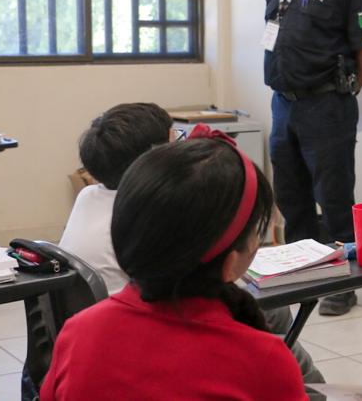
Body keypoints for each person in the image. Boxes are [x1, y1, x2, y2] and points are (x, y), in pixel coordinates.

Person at [53, 103, 326, 398]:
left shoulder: (76, 333)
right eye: (177, 140)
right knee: (275, 314)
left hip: (122, 318)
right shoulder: (262, 360)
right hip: (166, 323)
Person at [265, 0, 362, 316]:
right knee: (291, 197)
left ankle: (341, 283)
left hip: (327, 104)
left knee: (333, 197)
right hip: (283, 105)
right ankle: (301, 273)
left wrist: (342, 92)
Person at [60, 102, 172, 294]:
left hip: (89, 316)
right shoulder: (148, 217)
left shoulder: (87, 195)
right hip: (132, 318)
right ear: (152, 161)